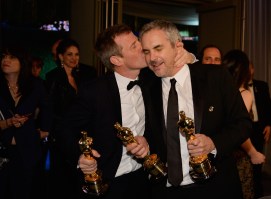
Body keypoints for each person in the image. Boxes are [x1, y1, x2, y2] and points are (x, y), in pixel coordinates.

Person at [59, 24, 195, 199]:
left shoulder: (153, 78)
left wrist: (189, 56)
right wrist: (80, 157)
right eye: (134, 45)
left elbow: (181, 67)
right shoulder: (94, 91)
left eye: (138, 41)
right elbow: (64, 130)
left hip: (145, 178)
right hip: (109, 181)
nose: (142, 47)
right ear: (117, 60)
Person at [139, 19, 252, 199]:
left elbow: (243, 124)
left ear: (178, 47)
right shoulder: (146, 85)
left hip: (214, 187)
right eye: (146, 51)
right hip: (165, 190)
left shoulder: (216, 78)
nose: (152, 58)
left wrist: (213, 143)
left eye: (158, 48)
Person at [45, 38, 98, 199]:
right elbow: (50, 108)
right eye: (69, 54)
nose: (74, 58)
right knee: (63, 176)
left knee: (83, 175)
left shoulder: (87, 74)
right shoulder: (53, 77)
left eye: (77, 54)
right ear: (61, 57)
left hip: (84, 132)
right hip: (62, 133)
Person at [0, 46, 52, 199]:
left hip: (27, 147)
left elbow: (47, 107)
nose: (5, 60)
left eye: (12, 57)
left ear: (22, 62)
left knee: (24, 190)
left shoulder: (34, 85)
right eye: (3, 57)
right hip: (2, 145)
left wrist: (45, 130)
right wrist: (9, 122)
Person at [223, 49, 266, 199]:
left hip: (220, 153)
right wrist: (253, 153)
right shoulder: (244, 94)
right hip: (237, 157)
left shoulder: (220, 92)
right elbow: (238, 130)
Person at [249, 61, 271, 198]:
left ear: (253, 69)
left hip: (258, 130)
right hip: (243, 130)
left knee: (257, 165)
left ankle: (258, 194)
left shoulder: (262, 86)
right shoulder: (234, 85)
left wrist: (269, 125)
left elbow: (269, 108)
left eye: (250, 68)